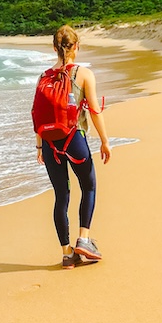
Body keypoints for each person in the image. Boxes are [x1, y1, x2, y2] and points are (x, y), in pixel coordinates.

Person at [35, 25, 111, 269]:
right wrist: (105, 141)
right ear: (76, 47)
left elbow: (36, 113)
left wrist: (39, 147)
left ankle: (67, 254)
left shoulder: (44, 76)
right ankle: (84, 239)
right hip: (74, 139)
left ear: (55, 48)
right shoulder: (84, 74)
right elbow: (95, 112)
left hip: (49, 144)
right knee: (89, 187)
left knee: (61, 196)